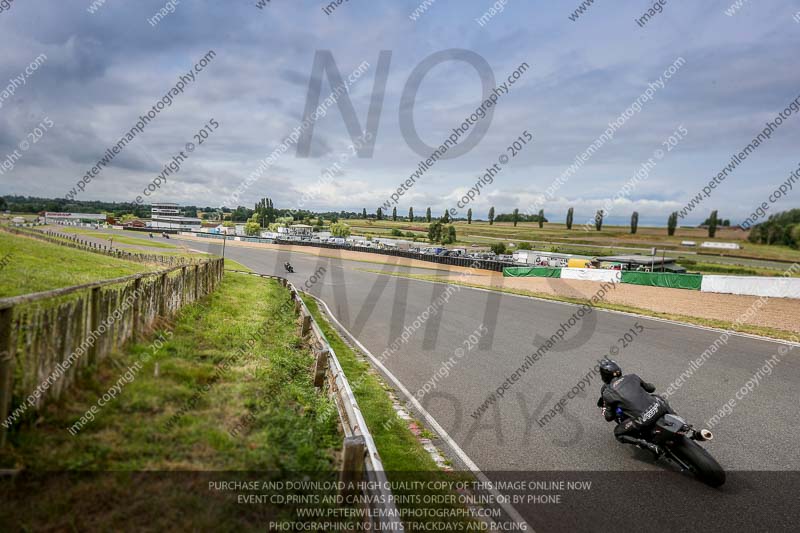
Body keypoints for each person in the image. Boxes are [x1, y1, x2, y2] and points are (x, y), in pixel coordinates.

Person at [597, 359, 672, 456]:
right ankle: (688, 428)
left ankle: (647, 445)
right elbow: (651, 388)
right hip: (659, 408)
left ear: (604, 376)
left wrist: (606, 407)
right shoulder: (633, 377)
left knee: (618, 433)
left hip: (642, 420)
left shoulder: (608, 393)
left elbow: (609, 417)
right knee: (658, 397)